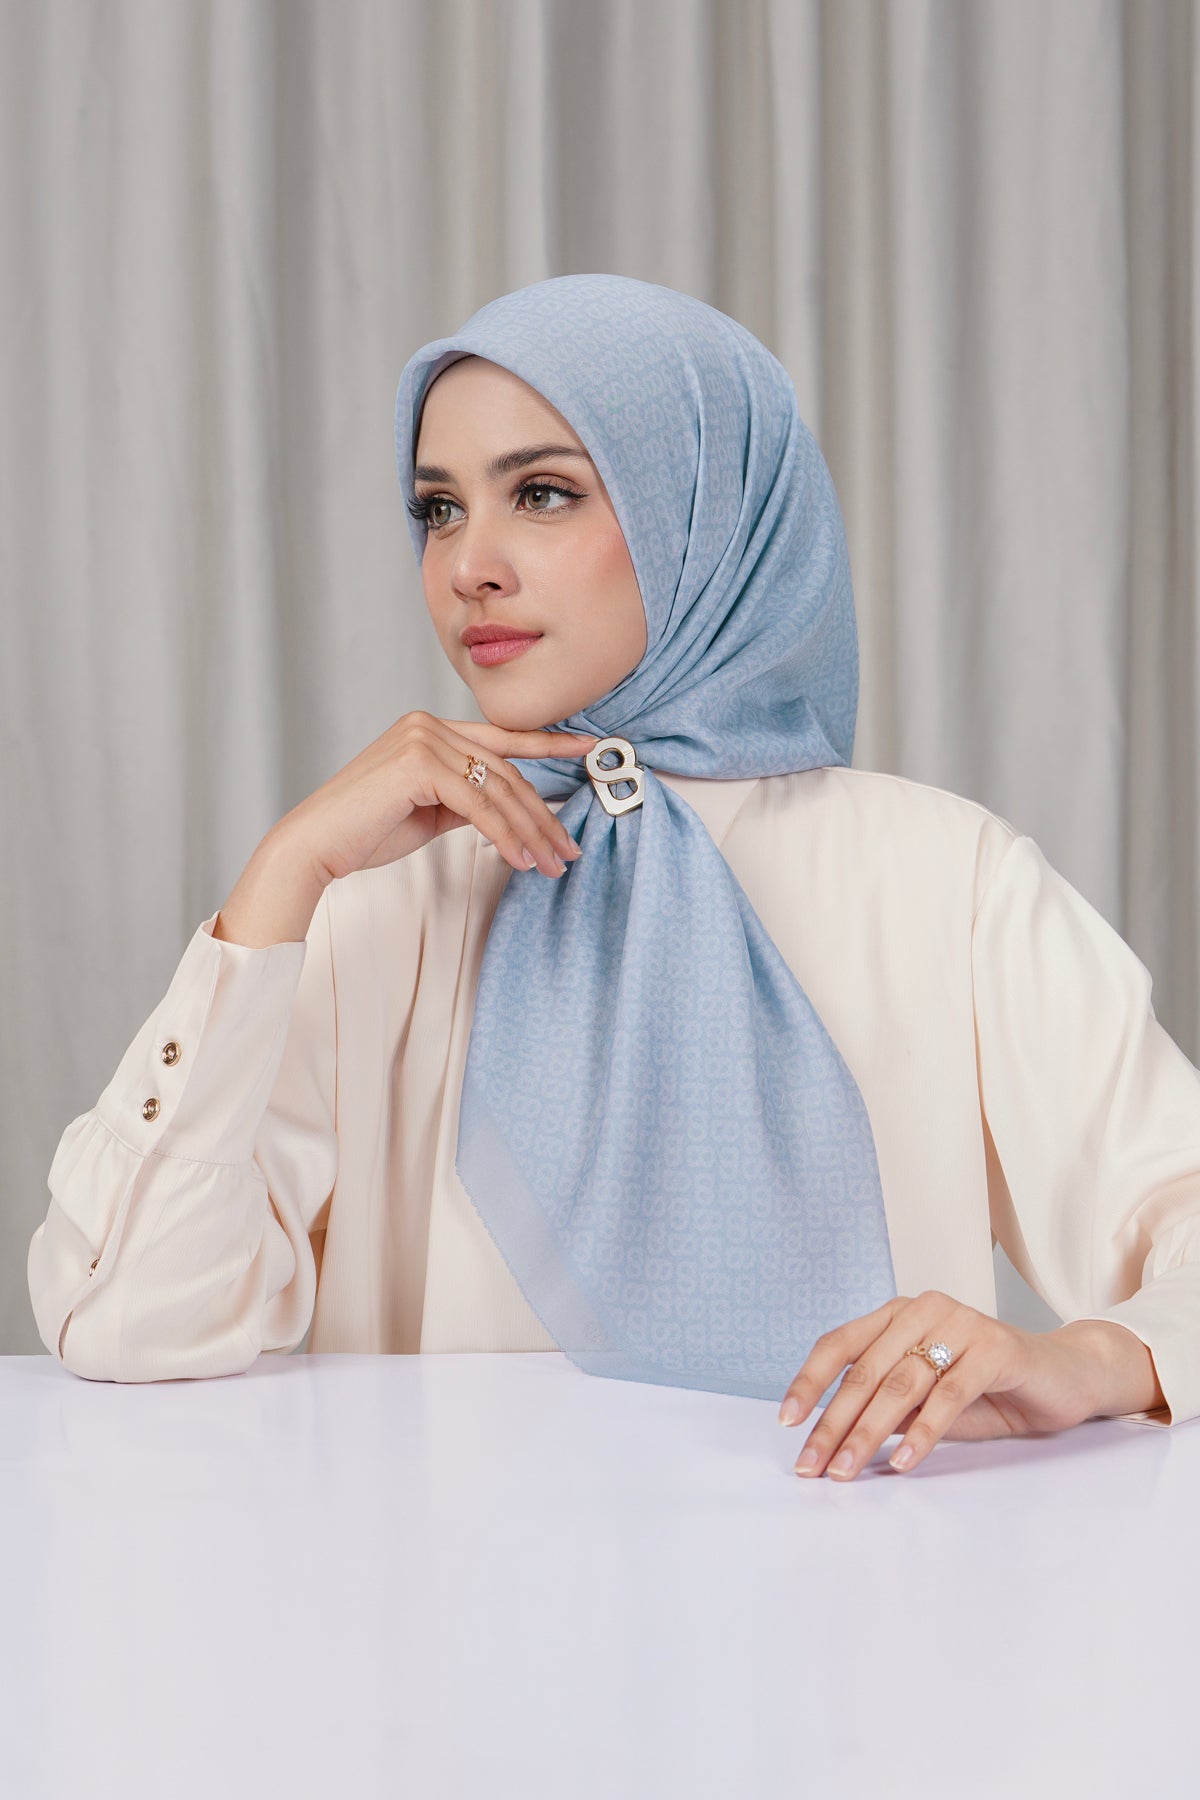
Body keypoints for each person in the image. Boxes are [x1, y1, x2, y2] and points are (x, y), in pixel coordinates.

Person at [28, 273, 1200, 1483]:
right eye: (438, 509)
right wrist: (281, 879)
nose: (469, 565)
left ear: (705, 510)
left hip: (869, 1575)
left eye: (542, 493)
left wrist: (1094, 1361)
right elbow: (126, 1321)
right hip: (445, 1590)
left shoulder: (948, 885)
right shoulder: (381, 910)